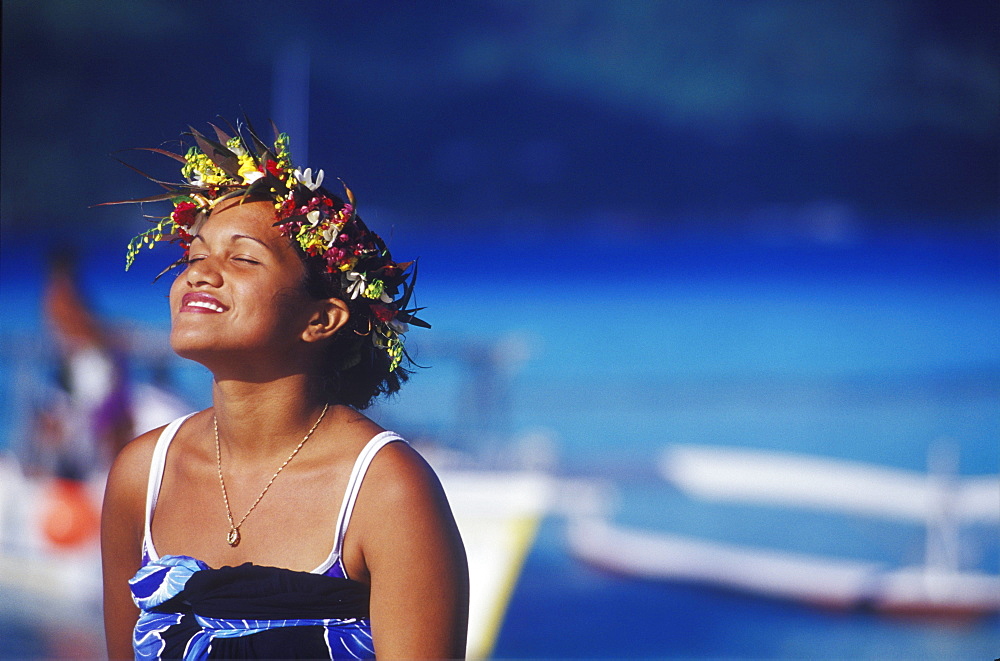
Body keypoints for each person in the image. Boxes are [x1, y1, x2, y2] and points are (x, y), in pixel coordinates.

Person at [100, 121, 469, 660]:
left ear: (321, 319)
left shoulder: (386, 489)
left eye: (243, 258)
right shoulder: (142, 476)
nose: (201, 274)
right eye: (194, 256)